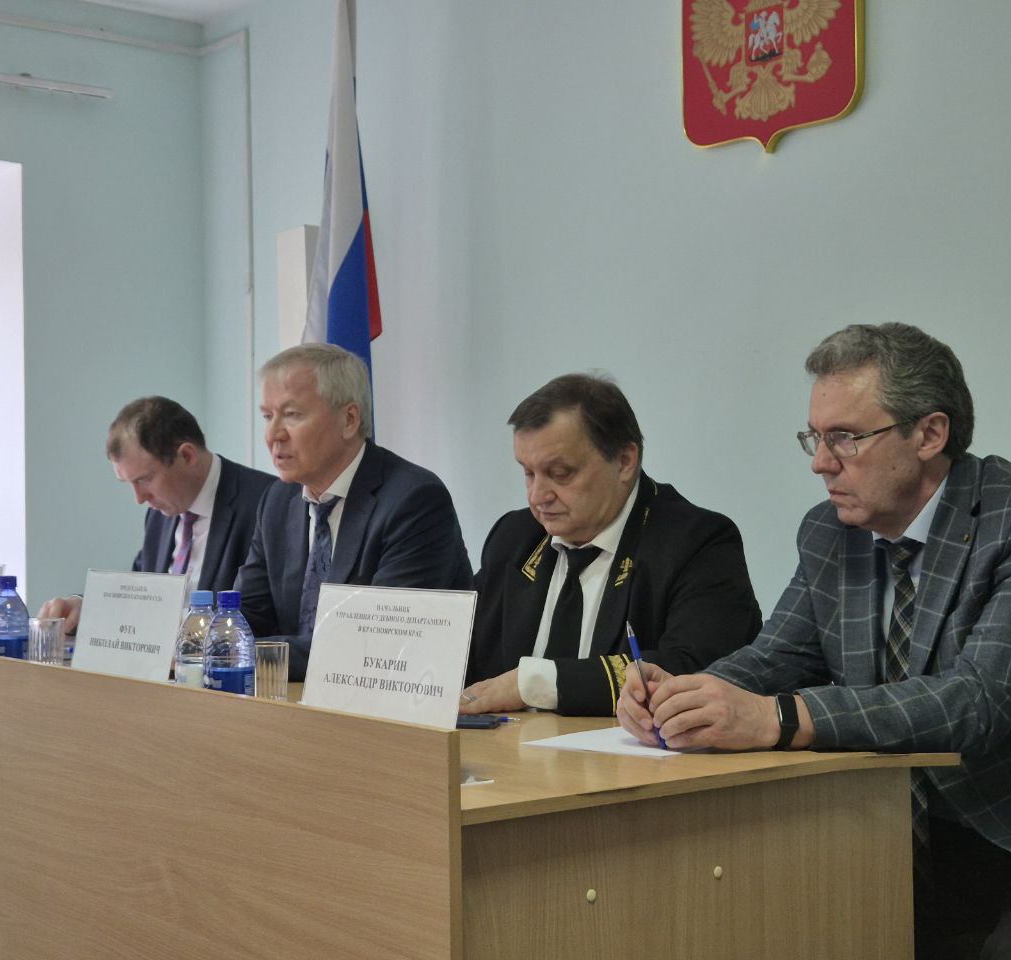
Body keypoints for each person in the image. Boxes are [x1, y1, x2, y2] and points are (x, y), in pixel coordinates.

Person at [617, 323, 1011, 960]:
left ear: (929, 435)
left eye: (845, 438)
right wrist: (685, 693)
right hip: (882, 822)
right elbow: (777, 655)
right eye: (816, 437)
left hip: (997, 832)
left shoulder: (1004, 520)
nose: (821, 463)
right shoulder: (830, 532)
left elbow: (977, 703)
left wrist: (776, 718)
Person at [460, 373, 761, 717]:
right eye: (528, 473)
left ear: (624, 461)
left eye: (560, 473)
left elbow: (693, 669)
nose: (537, 496)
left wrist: (532, 683)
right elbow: (461, 660)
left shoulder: (696, 542)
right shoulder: (515, 538)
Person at [234, 343, 473, 681]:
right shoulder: (278, 500)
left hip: (396, 698)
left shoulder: (414, 500)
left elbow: (377, 644)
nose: (273, 435)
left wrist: (243, 653)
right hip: (299, 696)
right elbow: (248, 614)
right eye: (267, 416)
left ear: (349, 420)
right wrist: (212, 641)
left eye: (292, 415)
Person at [39, 396, 275, 633]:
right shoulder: (160, 514)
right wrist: (85, 608)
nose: (139, 498)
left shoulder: (267, 504)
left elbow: (264, 618)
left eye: (144, 480)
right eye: (129, 483)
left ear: (187, 456)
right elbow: (137, 600)